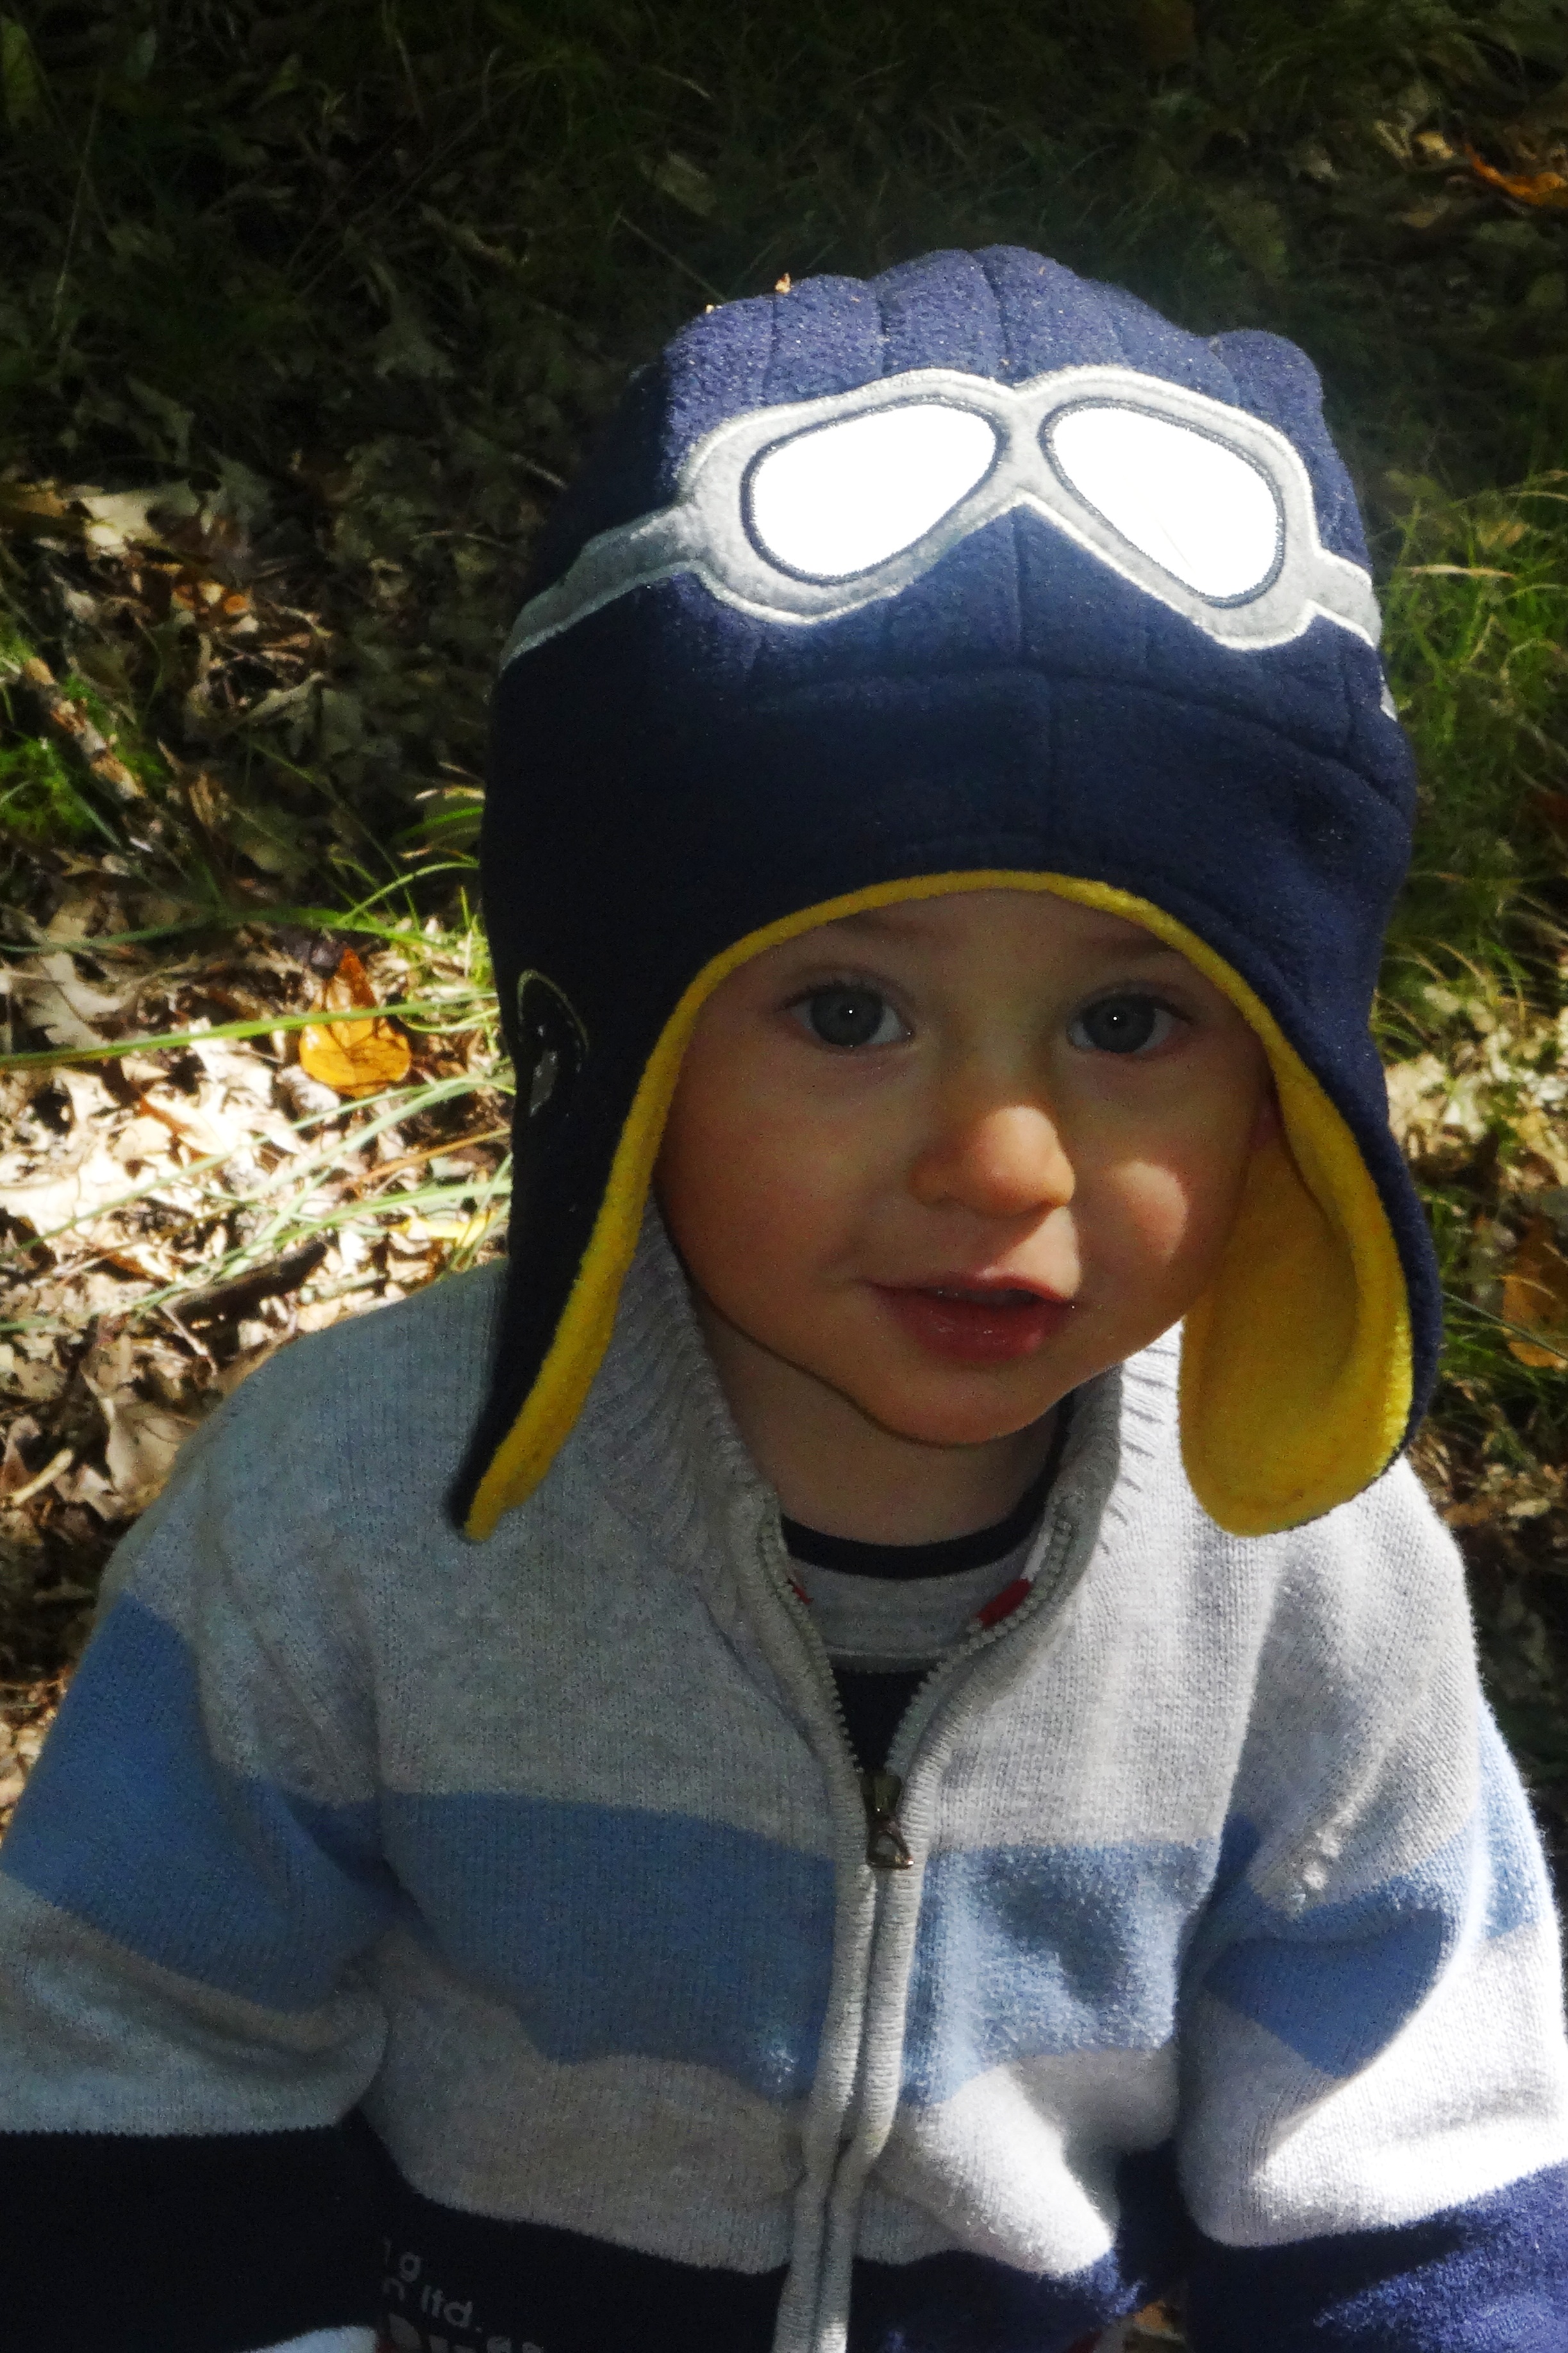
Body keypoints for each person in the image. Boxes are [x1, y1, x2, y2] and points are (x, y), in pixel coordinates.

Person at [1, 247, 1565, 2353]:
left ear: (1293, 1084)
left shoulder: (1306, 1580)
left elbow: (1414, 2158)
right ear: (617, 1042)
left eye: (1129, 1023)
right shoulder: (349, 1516)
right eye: (848, 1011)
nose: (1002, 1162)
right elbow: (128, 2056)